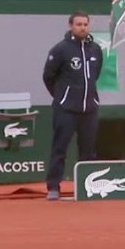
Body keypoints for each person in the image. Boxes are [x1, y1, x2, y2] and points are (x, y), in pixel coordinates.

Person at [41, 11, 103, 201]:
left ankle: (86, 187)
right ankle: (53, 186)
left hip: (89, 109)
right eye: (78, 24)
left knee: (88, 150)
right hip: (65, 109)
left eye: (85, 24)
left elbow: (95, 75)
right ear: (71, 26)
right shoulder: (60, 49)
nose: (82, 27)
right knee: (60, 148)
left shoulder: (96, 50)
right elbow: (48, 76)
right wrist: (62, 97)